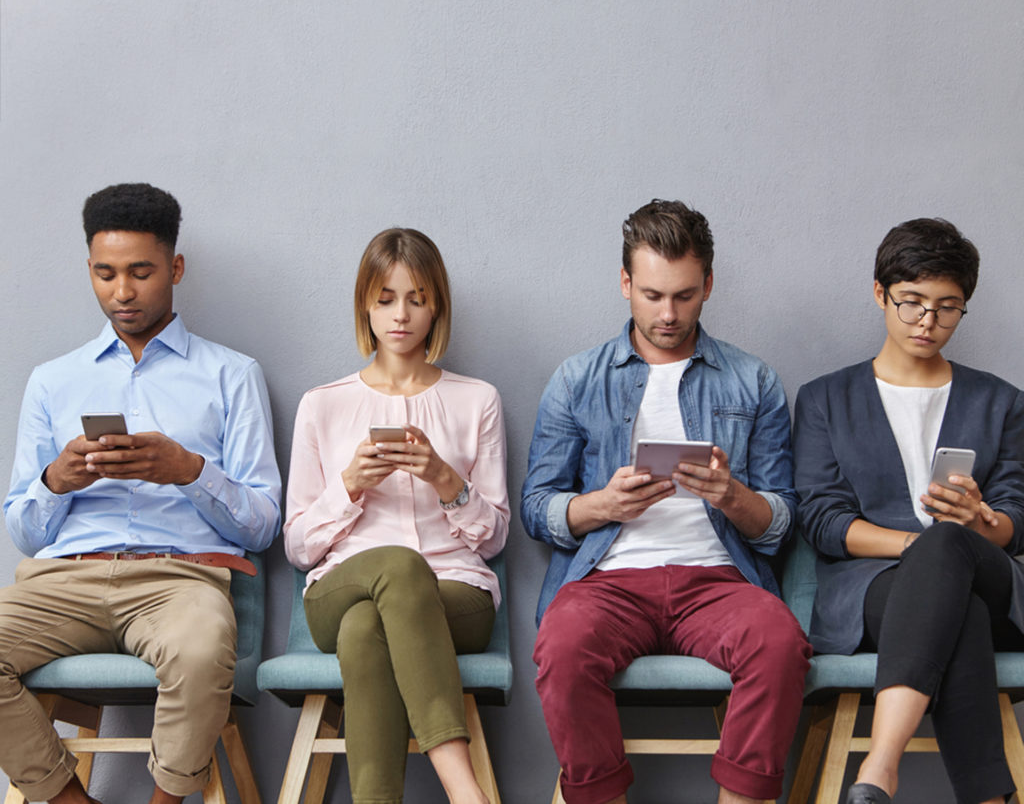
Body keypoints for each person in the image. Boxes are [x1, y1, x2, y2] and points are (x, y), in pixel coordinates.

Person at [521, 199, 811, 804]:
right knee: (562, 644)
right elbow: (537, 507)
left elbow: (781, 522)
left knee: (779, 642)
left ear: (708, 284)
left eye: (684, 295)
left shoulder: (752, 380)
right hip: (609, 581)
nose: (669, 313)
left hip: (718, 581)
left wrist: (732, 496)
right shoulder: (578, 379)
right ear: (625, 283)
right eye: (652, 295)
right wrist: (604, 505)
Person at [0, 183, 281, 804]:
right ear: (90, 270)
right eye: (104, 273)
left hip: (179, 580)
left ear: (174, 268)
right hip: (63, 582)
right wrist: (57, 481)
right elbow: (25, 528)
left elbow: (263, 525)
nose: (121, 292)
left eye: (140, 272)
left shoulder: (232, 375)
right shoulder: (52, 381)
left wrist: (188, 470)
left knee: (204, 648)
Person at [793, 218, 1024, 804]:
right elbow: (822, 520)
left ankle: (879, 767)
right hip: (873, 585)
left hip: (990, 573)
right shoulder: (826, 398)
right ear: (880, 293)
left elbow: (1017, 516)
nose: (928, 322)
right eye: (912, 303)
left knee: (950, 547)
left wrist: (981, 521)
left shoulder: (1002, 402)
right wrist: (914, 546)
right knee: (954, 601)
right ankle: (988, 797)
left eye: (948, 308)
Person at [283, 227, 508, 804]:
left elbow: (493, 538)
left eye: (416, 298)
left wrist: (445, 479)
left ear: (437, 306)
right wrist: (351, 486)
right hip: (339, 589)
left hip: (457, 595)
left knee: (367, 630)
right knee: (396, 570)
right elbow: (298, 546)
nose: (401, 315)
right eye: (385, 299)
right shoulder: (323, 403)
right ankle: (466, 791)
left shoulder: (476, 399)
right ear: (365, 303)